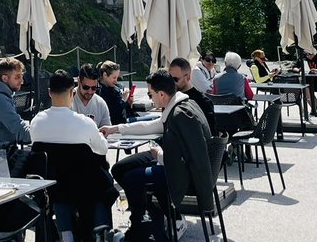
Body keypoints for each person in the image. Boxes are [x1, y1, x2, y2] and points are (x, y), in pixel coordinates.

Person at [111, 71, 214, 227]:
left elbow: (189, 158)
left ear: (161, 94)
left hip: (184, 176)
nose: (149, 98)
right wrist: (115, 129)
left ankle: (145, 220)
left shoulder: (181, 115)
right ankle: (156, 215)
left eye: (150, 94)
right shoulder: (182, 105)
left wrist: (159, 155)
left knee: (132, 177)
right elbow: (152, 126)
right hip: (176, 165)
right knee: (120, 168)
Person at [30, 69, 114, 242]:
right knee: (103, 188)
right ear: (72, 92)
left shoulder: (36, 122)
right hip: (84, 184)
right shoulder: (85, 123)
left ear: (50, 92)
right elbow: (102, 149)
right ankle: (98, 240)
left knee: (60, 185)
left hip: (52, 185)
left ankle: (66, 237)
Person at [0, 57, 31, 152]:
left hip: (1, 150)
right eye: (17, 77)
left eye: (21, 76)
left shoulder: (2, 95)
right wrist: (43, 132)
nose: (22, 81)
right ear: (4, 78)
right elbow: (21, 131)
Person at [168, 57, 217, 136]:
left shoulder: (203, 101)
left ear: (188, 77)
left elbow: (211, 135)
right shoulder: (170, 99)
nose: (172, 83)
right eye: (169, 79)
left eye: (175, 79)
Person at [72, 63, 111, 129]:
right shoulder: (68, 100)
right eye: (86, 87)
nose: (90, 91)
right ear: (78, 81)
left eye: (94, 88)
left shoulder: (100, 103)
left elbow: (106, 130)